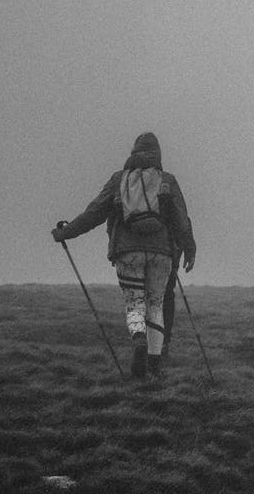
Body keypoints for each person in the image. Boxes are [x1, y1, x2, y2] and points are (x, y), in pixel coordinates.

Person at [51, 133, 196, 379]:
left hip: (127, 252)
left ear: (133, 152)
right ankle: (154, 361)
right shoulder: (167, 180)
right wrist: (189, 248)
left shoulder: (119, 180)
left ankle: (138, 339)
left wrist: (65, 232)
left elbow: (94, 213)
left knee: (135, 304)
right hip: (161, 254)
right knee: (155, 304)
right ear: (157, 154)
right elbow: (181, 219)